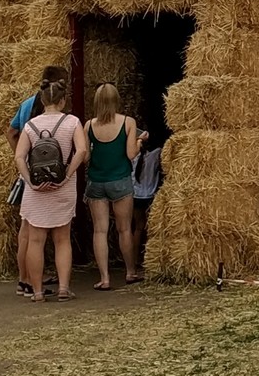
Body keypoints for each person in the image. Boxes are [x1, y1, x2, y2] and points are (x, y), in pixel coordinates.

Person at [14, 78, 87, 300]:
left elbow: (19, 156)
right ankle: (63, 288)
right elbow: (82, 151)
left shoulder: (30, 126)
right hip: (61, 187)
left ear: (42, 100)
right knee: (62, 239)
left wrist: (31, 181)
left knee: (35, 241)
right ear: (63, 101)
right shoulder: (72, 122)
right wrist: (66, 176)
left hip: (36, 190)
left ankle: (37, 292)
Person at [9, 65, 67, 290]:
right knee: (47, 234)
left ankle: (25, 278)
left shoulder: (26, 105)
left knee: (27, 231)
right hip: (52, 174)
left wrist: (22, 158)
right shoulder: (59, 114)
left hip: (30, 174)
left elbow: (11, 132)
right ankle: (30, 281)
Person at [84, 82, 145, 289]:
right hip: (120, 181)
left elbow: (86, 157)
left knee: (100, 231)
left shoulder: (89, 125)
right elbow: (130, 154)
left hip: (96, 181)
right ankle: (130, 272)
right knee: (124, 229)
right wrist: (139, 141)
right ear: (116, 100)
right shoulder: (128, 122)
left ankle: (104, 278)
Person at [132, 132, 163, 271]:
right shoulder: (157, 154)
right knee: (151, 228)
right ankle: (150, 257)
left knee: (138, 228)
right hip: (150, 196)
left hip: (136, 195)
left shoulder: (134, 155)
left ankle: (133, 259)